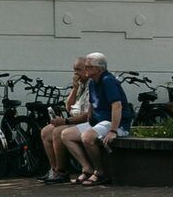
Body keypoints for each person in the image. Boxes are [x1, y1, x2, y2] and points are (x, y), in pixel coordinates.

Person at [42, 53, 132, 185]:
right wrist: (90, 119)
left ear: (99, 69)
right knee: (66, 135)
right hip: (98, 122)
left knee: (87, 137)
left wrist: (113, 130)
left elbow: (117, 105)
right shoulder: (92, 82)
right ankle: (88, 169)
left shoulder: (108, 81)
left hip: (112, 122)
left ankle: (100, 172)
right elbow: (91, 104)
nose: (86, 69)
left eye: (88, 67)